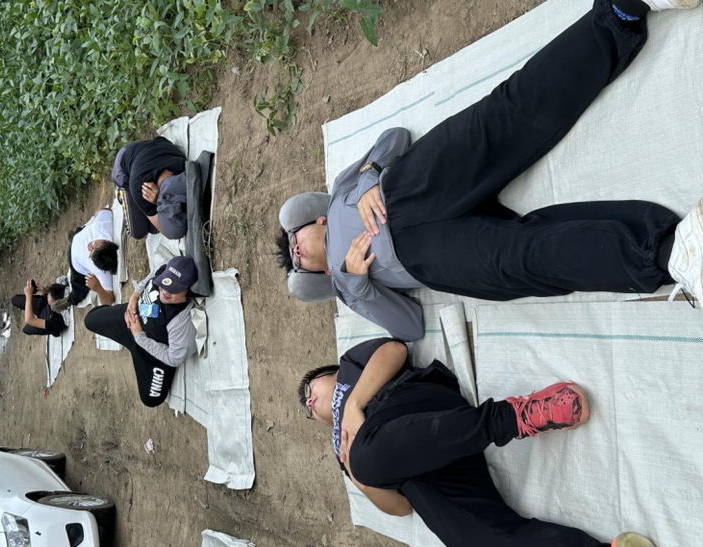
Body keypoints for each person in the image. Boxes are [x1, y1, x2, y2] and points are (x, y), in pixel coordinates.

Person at [276, 0, 703, 342]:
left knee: (508, 115)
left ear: (317, 220)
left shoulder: (341, 190)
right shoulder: (349, 291)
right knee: (524, 261)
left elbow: (394, 137)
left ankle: (622, 11)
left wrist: (371, 175)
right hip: (424, 256)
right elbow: (408, 327)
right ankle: (672, 253)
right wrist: (356, 282)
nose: (297, 253)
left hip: (408, 188)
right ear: (323, 274)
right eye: (299, 264)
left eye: (293, 241)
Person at [299, 337, 677, 547]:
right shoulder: (344, 455)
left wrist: (354, 405)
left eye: (311, 388)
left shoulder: (351, 370)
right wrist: (359, 479)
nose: (309, 401)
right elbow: (402, 508)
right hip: (416, 470)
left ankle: (516, 416)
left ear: (331, 374)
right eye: (307, 409)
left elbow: (394, 350)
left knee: (366, 459)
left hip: (412, 405)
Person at [83, 256, 198, 407]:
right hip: (129, 318)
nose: (165, 292)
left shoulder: (182, 320)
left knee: (151, 399)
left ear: (188, 291)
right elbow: (147, 280)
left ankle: (138, 352)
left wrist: (139, 336)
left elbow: (174, 358)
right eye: (164, 283)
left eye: (174, 290)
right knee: (90, 320)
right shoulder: (163, 268)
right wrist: (134, 297)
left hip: (149, 353)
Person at [112, 137, 189, 239]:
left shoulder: (180, 165)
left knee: (158, 224)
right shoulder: (141, 188)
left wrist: (158, 202)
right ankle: (122, 193)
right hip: (122, 170)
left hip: (147, 149)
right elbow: (165, 231)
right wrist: (158, 202)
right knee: (137, 231)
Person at [53, 208, 119, 311]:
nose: (89, 247)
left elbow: (108, 301)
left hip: (74, 262)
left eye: (90, 254)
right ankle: (72, 240)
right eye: (94, 246)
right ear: (106, 242)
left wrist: (98, 289)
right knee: (80, 231)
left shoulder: (101, 271)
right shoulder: (103, 226)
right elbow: (102, 211)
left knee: (79, 289)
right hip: (78, 237)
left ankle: (69, 301)